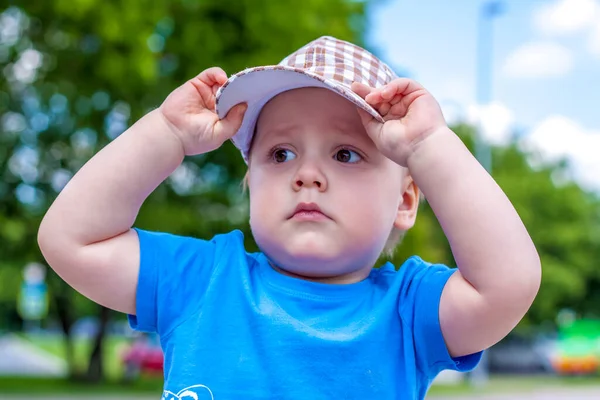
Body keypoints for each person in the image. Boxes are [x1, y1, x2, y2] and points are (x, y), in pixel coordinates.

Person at [38, 36, 541, 399]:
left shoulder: (410, 313)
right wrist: (166, 135)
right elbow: (70, 239)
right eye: (280, 154)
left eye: (346, 154)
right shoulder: (201, 281)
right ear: (251, 183)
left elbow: (509, 283)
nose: (307, 174)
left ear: (405, 202)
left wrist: (430, 147)